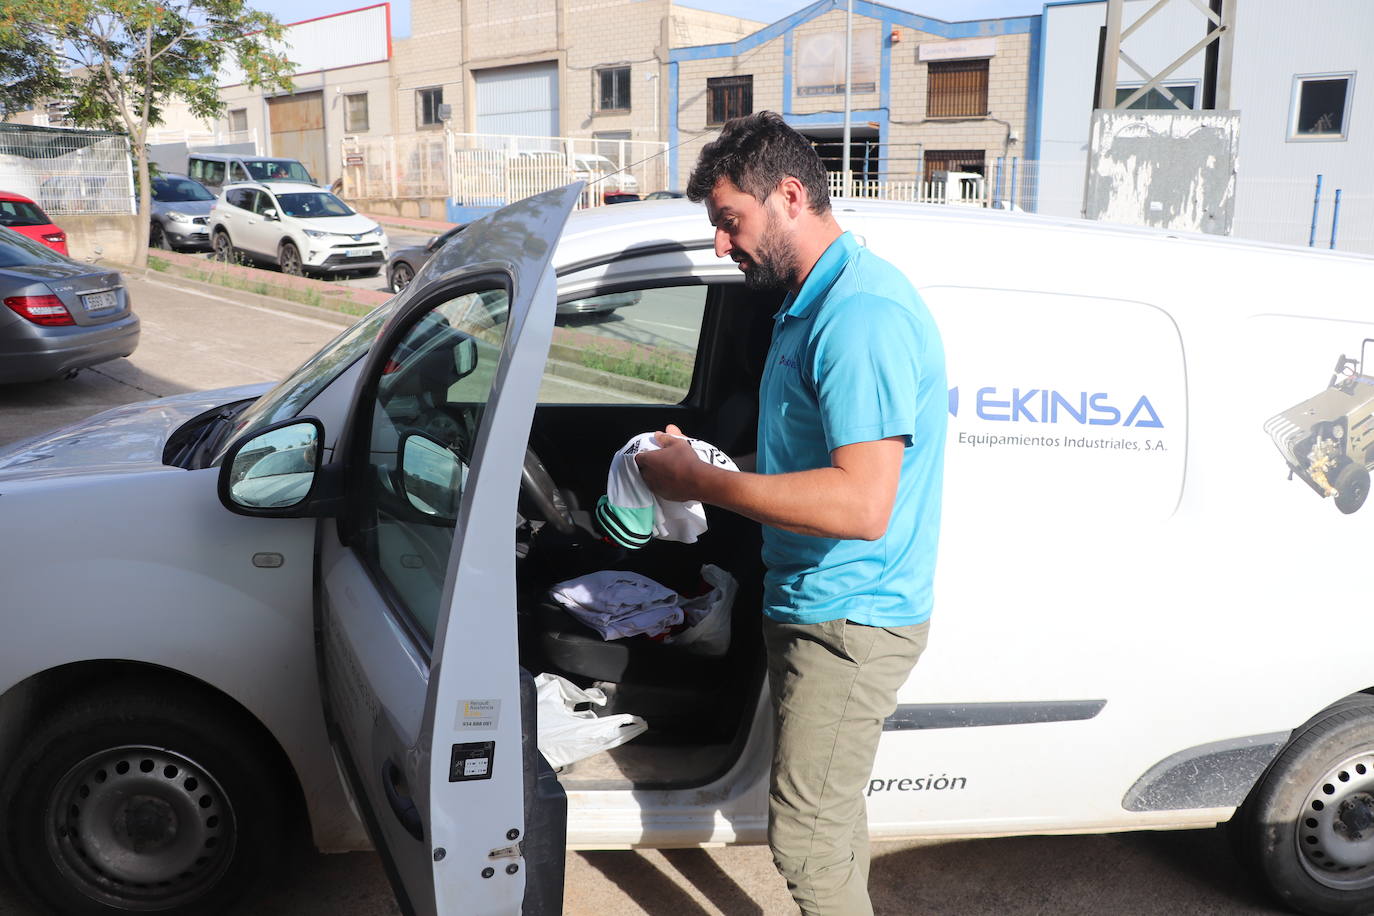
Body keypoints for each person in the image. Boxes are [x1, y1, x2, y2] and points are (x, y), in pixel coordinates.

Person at [634, 111, 947, 916]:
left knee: (806, 837)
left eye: (729, 222)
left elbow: (860, 502)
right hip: (819, 600)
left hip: (850, 616)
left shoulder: (858, 317)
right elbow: (805, 473)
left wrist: (703, 487)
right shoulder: (811, 302)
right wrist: (705, 465)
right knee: (832, 821)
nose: (721, 245)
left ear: (791, 195)